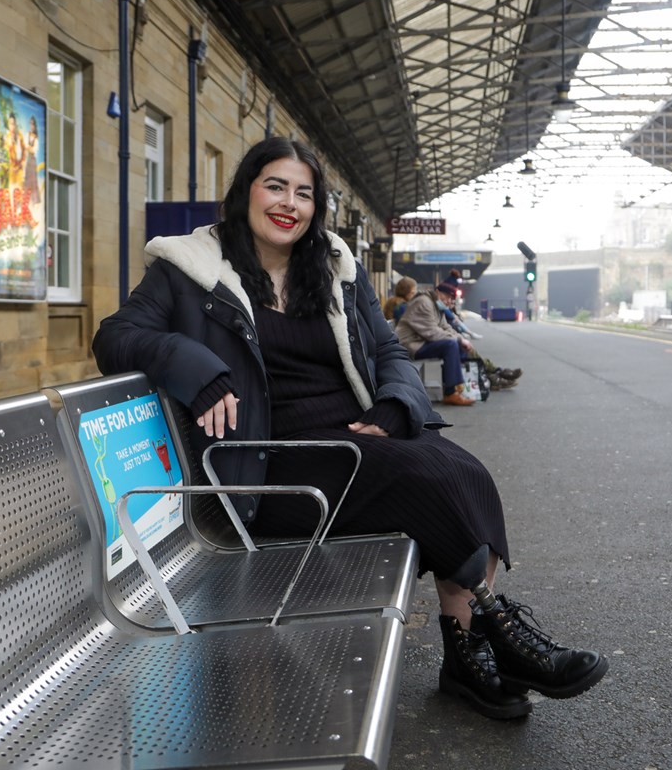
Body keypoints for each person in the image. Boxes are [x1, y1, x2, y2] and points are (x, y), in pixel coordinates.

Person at [93, 136, 607, 720]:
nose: (290, 203)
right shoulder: (188, 268)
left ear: (316, 208)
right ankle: (495, 635)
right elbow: (115, 337)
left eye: (304, 193)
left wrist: (395, 405)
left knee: (464, 470)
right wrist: (198, 370)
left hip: (353, 439)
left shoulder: (335, 266)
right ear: (246, 192)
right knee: (427, 479)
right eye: (276, 186)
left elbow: (389, 351)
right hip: (267, 460)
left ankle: (469, 651)